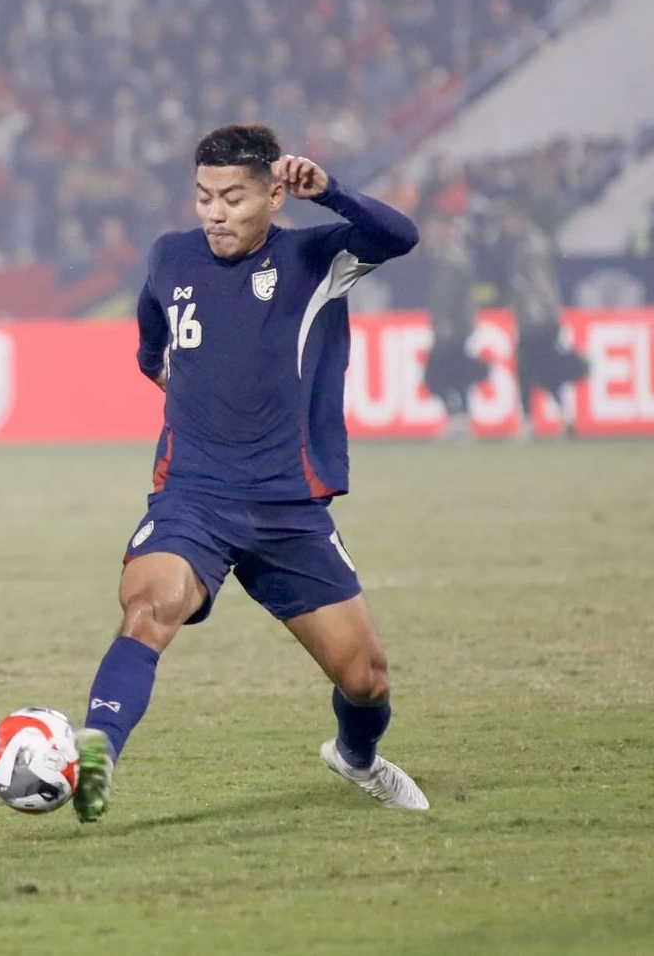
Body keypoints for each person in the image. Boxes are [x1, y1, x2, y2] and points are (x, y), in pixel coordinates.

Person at [74, 124, 428, 823]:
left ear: (273, 196)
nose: (214, 213)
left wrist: (332, 192)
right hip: (193, 498)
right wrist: (169, 377)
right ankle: (93, 757)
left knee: (366, 679)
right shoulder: (170, 255)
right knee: (148, 609)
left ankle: (356, 757)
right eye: (204, 196)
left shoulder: (316, 257)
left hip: (288, 509)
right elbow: (151, 340)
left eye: (232, 198)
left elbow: (401, 235)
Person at [500, 208, 586, 440]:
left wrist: (543, 314)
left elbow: (539, 284)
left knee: (527, 370)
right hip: (538, 319)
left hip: (536, 321)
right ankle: (565, 417)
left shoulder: (531, 246)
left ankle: (530, 423)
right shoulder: (531, 243)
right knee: (547, 372)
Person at [421, 215, 490, 441]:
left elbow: (452, 299)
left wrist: (448, 325)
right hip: (454, 329)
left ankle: (458, 418)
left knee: (436, 377)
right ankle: (460, 419)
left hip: (451, 331)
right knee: (456, 375)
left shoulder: (453, 261)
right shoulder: (453, 259)